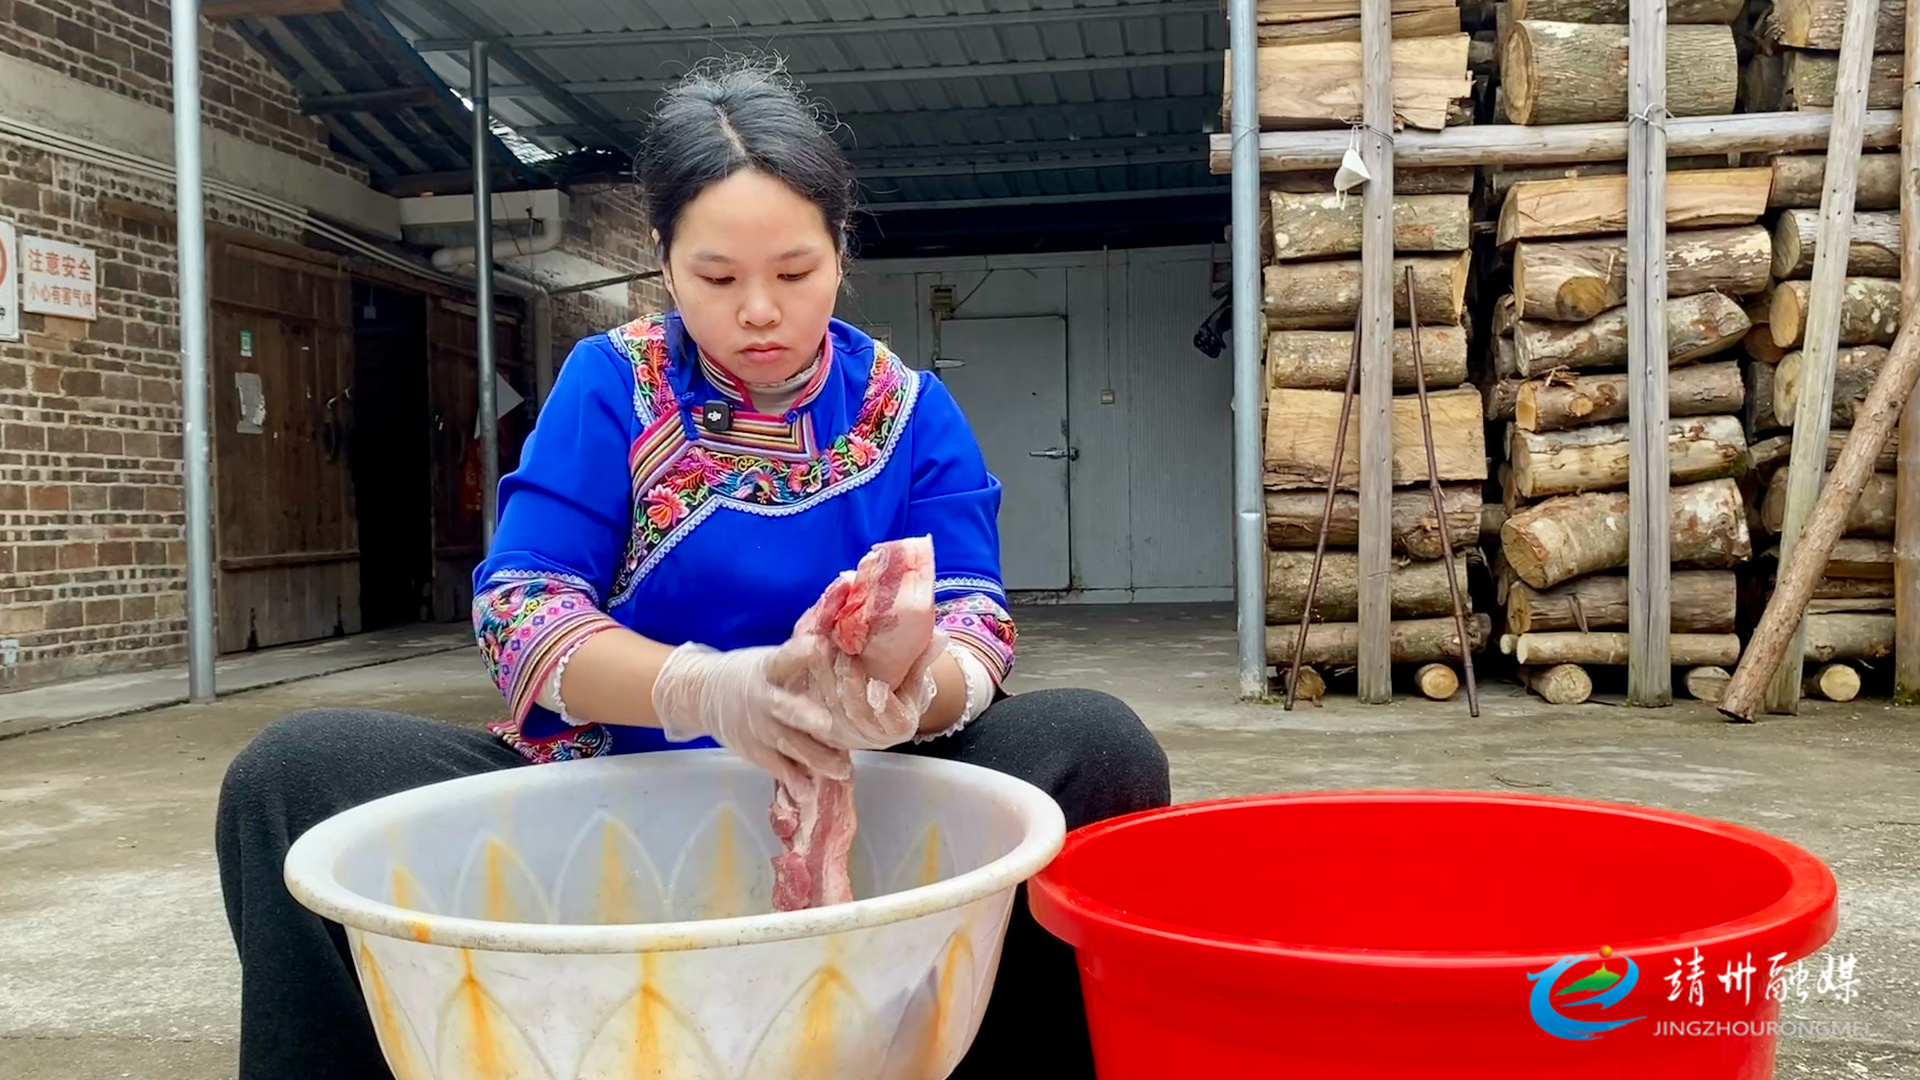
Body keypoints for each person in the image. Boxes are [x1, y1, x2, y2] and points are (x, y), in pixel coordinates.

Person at [214, 61, 1170, 1080]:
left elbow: (976, 621)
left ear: (841, 253)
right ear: (665, 265)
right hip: (613, 779)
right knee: (291, 777)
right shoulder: (612, 385)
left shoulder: (908, 410)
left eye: (795, 273)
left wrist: (909, 698)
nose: (759, 311)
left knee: (1096, 746)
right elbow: (521, 606)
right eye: (717, 279)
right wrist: (705, 688)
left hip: (863, 783)